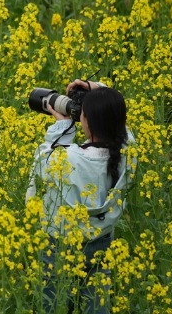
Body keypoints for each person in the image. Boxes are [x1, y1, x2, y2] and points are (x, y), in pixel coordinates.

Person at [26, 79, 135, 313]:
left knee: (53, 300)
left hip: (60, 241)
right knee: (96, 301)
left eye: (81, 114)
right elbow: (118, 117)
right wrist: (96, 89)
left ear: (87, 122)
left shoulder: (68, 159)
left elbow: (42, 163)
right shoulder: (127, 151)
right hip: (100, 239)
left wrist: (62, 127)